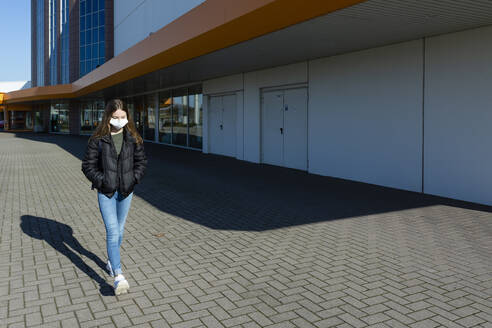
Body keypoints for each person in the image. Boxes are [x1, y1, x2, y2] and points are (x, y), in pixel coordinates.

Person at [81, 99, 148, 295]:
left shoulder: (133, 138)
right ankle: (118, 275)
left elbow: (142, 162)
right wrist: (103, 182)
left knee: (119, 230)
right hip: (106, 192)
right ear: (108, 117)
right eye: (115, 117)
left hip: (126, 191)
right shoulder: (98, 139)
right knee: (112, 231)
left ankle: (111, 261)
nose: (119, 120)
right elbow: (87, 166)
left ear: (127, 117)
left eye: (123, 117)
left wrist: (133, 179)